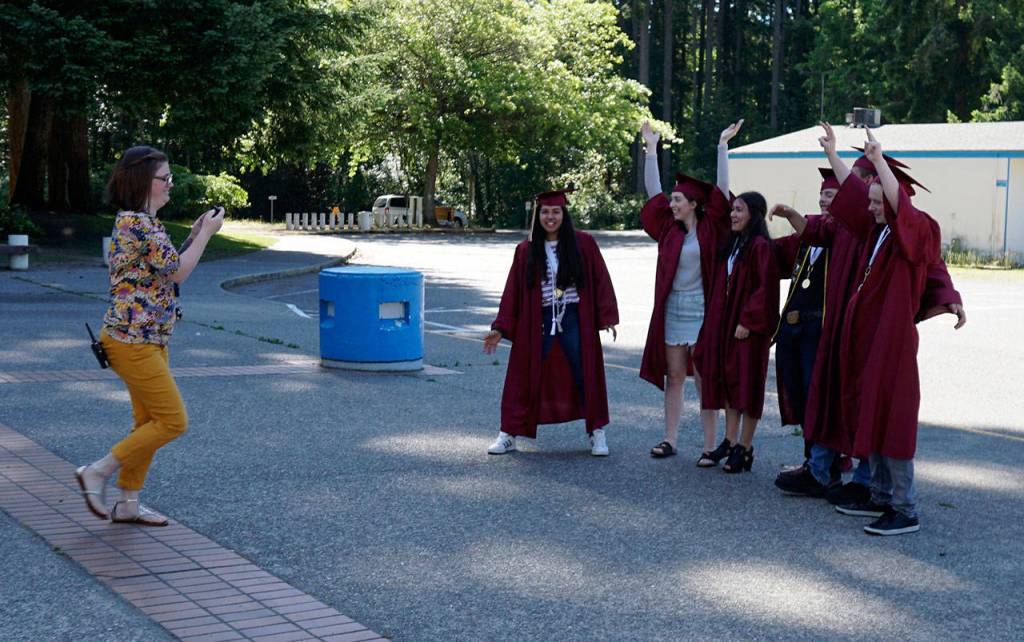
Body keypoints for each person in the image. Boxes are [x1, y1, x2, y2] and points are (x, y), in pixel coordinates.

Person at [770, 127, 965, 505]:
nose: (864, 200)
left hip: (877, 335)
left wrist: (949, 297)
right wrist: (833, 157)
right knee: (834, 397)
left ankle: (870, 485)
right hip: (844, 329)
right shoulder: (862, 225)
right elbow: (828, 218)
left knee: (873, 406)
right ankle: (825, 471)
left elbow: (931, 262)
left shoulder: (905, 230)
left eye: (873, 194)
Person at [75, 145, 224, 526]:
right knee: (173, 421)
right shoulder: (136, 223)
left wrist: (192, 234)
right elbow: (178, 274)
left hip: (150, 338)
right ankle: (98, 471)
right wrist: (206, 234)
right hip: (132, 340)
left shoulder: (146, 223)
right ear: (145, 181)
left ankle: (127, 502)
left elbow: (167, 267)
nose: (171, 184)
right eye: (166, 178)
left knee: (147, 423)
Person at [809, 125, 941, 535]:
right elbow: (850, 201)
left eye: (877, 200)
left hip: (894, 346)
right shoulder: (878, 233)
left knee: (894, 421)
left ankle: (905, 507)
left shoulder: (916, 230)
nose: (870, 207)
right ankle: (880, 496)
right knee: (875, 416)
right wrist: (834, 155)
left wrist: (881, 161)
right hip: (871, 344)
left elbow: (903, 211)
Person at [483, 188, 619, 456]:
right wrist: (500, 327)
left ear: (564, 214)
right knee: (523, 374)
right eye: (545, 212)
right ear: (538, 216)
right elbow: (513, 291)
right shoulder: (526, 250)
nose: (550, 217)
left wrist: (606, 317)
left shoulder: (584, 244)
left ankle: (597, 432)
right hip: (539, 320)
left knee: (586, 373)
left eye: (556, 211)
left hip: (573, 318)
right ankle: (508, 433)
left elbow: (600, 279)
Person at [638, 120, 738, 465]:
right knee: (675, 377)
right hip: (673, 309)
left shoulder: (711, 229)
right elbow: (654, 194)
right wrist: (651, 150)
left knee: (704, 378)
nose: (672, 203)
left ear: (694, 204)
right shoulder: (669, 227)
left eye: (678, 199)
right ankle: (670, 439)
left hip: (703, 310)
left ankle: (710, 446)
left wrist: (722, 146)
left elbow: (723, 191)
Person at [693, 179, 780, 473]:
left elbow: (764, 288)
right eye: (732, 210)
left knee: (748, 386)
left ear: (754, 214)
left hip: (748, 330)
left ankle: (745, 446)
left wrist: (749, 321)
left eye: (739, 210)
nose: (733, 215)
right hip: (727, 325)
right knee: (730, 383)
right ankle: (730, 441)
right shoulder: (734, 244)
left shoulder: (759, 246)